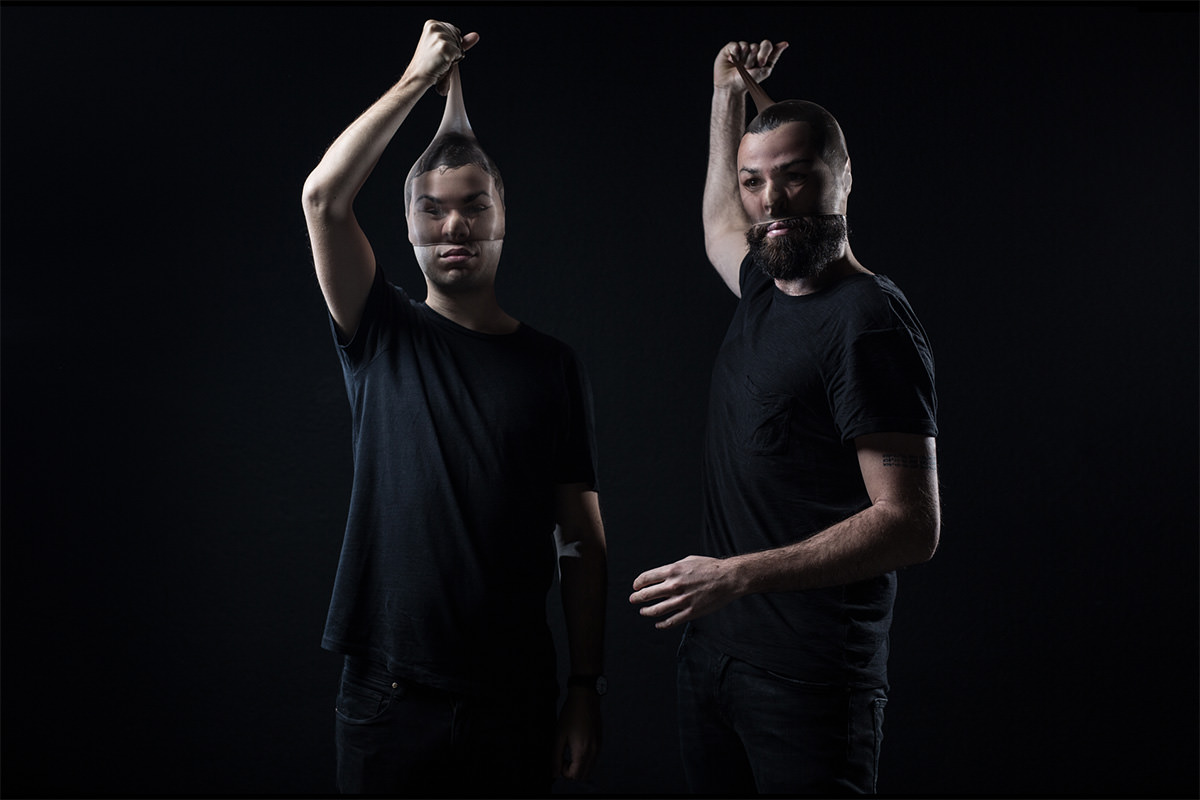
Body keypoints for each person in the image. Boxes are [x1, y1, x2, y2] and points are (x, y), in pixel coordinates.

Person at [301, 20, 607, 795]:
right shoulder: (382, 329)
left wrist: (584, 686)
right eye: (433, 210)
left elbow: (582, 542)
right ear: (408, 225)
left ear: (503, 215)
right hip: (388, 696)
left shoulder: (552, 366)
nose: (455, 225)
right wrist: (415, 79)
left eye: (474, 206)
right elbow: (323, 198)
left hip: (516, 698)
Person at [629, 39, 940, 794]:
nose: (771, 200)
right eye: (755, 181)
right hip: (715, 660)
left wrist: (736, 575)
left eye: (795, 176)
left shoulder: (867, 322)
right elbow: (717, 222)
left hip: (809, 684)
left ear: (843, 177)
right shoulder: (767, 287)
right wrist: (725, 94)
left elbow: (910, 524)